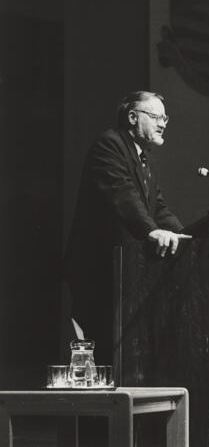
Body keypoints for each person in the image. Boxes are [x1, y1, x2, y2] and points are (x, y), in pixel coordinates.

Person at [64, 91, 191, 363]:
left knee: (121, 350)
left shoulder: (144, 159)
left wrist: (187, 238)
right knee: (100, 349)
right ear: (133, 117)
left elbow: (158, 208)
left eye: (165, 118)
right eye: (156, 116)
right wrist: (151, 231)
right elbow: (123, 195)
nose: (163, 123)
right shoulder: (110, 144)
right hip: (98, 269)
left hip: (126, 271)